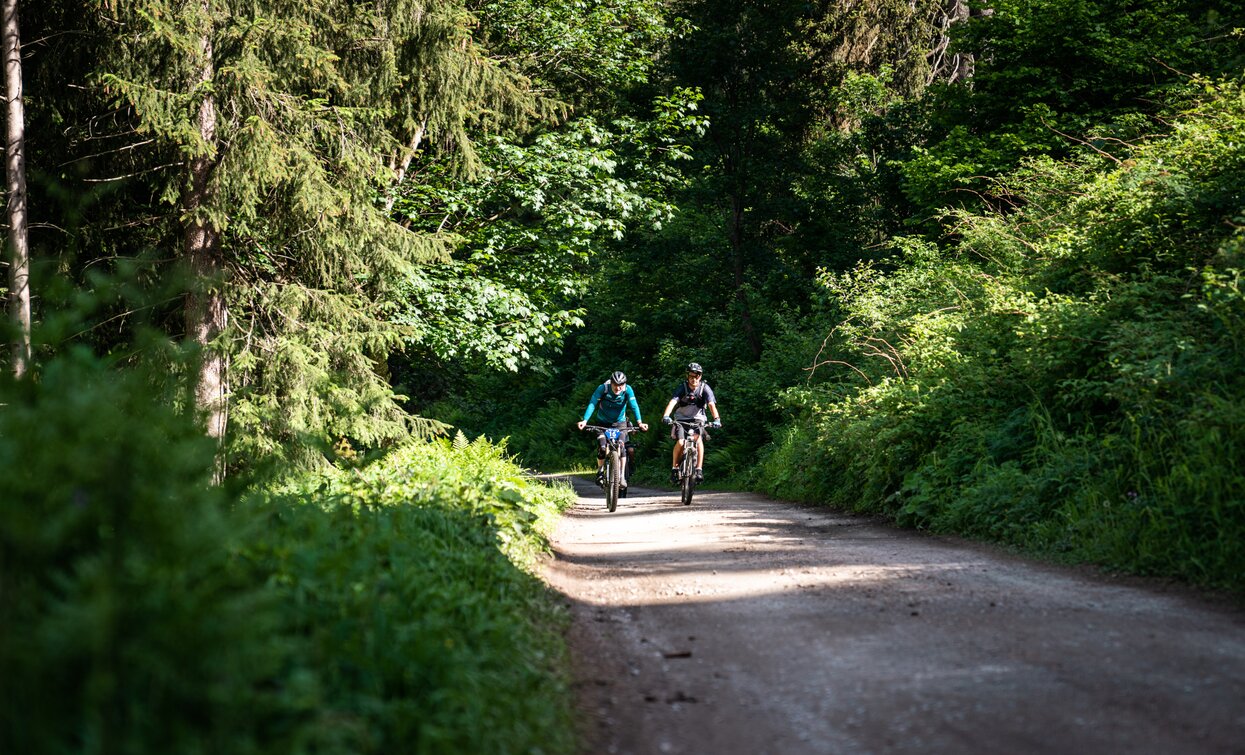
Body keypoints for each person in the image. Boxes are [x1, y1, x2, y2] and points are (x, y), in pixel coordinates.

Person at [577, 371, 649, 487]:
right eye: (615, 384)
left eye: (621, 385)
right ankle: (600, 471)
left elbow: (634, 405)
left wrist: (640, 423)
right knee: (602, 446)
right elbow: (592, 403)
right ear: (611, 383)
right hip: (603, 423)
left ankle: (621, 477)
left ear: (624, 384)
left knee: (622, 446)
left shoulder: (627, 390)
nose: (618, 387)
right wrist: (584, 421)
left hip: (620, 423)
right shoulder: (603, 389)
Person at [660, 362, 721, 484]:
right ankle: (674, 469)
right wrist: (666, 416)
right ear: (687, 376)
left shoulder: (705, 389)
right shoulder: (682, 388)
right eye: (691, 376)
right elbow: (672, 402)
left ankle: (698, 469)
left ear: (700, 376)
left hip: (698, 420)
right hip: (681, 420)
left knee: (698, 441)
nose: (694, 379)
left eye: (697, 376)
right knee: (681, 442)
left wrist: (717, 419)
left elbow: (711, 405)